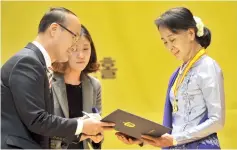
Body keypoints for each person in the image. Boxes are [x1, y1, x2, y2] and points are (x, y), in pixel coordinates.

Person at [1, 7, 114, 149]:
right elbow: (37, 120)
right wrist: (81, 125)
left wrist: (82, 132)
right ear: (54, 29)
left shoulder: (37, 63)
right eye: (74, 37)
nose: (74, 46)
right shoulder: (28, 62)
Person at [116, 7, 225, 149]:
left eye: (172, 39)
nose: (170, 47)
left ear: (191, 33)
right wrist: (143, 138)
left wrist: (175, 139)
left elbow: (217, 120)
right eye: (165, 42)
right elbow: (176, 125)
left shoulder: (208, 66)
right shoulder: (178, 73)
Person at [51, 25, 103, 149]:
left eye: (86, 49)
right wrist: (80, 131)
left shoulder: (94, 85)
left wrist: (97, 136)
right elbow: (43, 126)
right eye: (74, 49)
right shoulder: (48, 81)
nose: (81, 55)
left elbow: (97, 124)